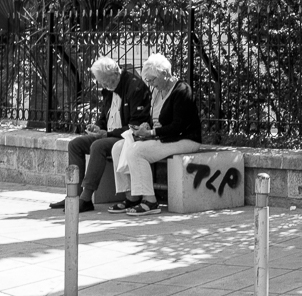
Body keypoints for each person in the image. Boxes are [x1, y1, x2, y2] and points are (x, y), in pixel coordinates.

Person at [49, 57, 150, 212]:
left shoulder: (135, 87)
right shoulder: (109, 89)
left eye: (105, 81)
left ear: (116, 74)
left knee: (98, 145)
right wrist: (97, 127)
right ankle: (73, 195)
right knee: (75, 144)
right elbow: (105, 116)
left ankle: (86, 198)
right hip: (108, 134)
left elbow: (135, 125)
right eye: (100, 82)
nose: (103, 85)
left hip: (126, 137)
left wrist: (106, 133)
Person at [109, 54, 203, 216]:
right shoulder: (157, 91)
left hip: (185, 139)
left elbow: (177, 127)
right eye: (148, 80)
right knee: (118, 147)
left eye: (152, 79)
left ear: (165, 74)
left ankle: (150, 200)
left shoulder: (182, 91)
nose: (150, 84)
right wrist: (146, 127)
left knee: (137, 151)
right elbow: (157, 119)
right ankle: (131, 196)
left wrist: (152, 133)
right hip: (164, 137)